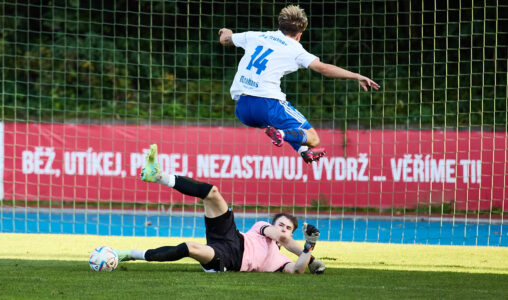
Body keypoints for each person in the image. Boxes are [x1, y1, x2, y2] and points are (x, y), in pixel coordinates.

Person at [116, 144, 326, 274]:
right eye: (280, 224)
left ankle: (130, 254)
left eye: (287, 227)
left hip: (230, 258)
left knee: (190, 248)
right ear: (272, 225)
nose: (282, 229)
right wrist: (314, 260)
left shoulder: (281, 261)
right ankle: (158, 176)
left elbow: (297, 270)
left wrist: (309, 248)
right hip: (232, 235)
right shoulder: (264, 228)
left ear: (293, 232)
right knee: (213, 193)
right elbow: (284, 240)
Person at [218, 5, 380, 163]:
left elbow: (225, 39)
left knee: (283, 127)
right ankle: (285, 136)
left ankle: (303, 150)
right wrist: (355, 75)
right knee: (313, 138)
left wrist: (226, 32)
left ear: (279, 26)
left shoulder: (256, 36)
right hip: (268, 104)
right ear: (299, 35)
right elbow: (323, 68)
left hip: (243, 109)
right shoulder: (296, 49)